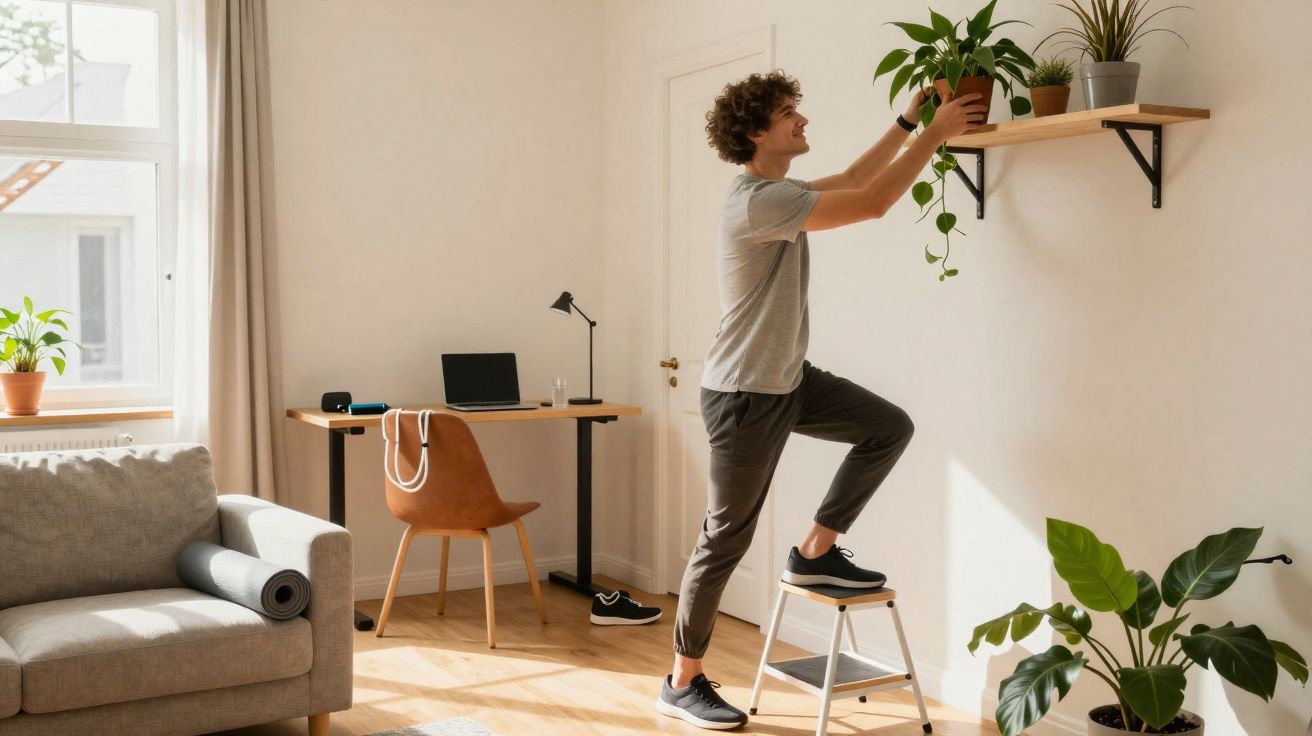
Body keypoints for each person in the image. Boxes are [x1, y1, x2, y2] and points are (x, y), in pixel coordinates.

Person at [655, 70, 986, 730]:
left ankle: (814, 552)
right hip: (745, 394)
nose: (802, 121)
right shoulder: (756, 203)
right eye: (788, 114)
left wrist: (911, 121)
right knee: (725, 539)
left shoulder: (778, 191)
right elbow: (873, 204)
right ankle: (681, 679)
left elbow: (857, 180)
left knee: (888, 427)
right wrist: (941, 135)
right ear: (756, 132)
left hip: (787, 380)